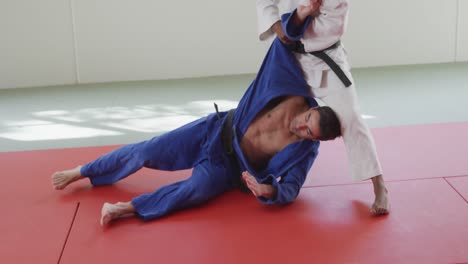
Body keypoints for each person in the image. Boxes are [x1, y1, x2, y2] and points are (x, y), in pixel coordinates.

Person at [51, 39, 342, 226]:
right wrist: (304, 12)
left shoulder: (305, 151)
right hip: (213, 130)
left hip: (229, 168)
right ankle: (83, 170)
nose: (301, 128)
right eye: (306, 120)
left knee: (195, 190)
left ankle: (124, 208)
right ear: (310, 108)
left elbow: (291, 186)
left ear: (315, 140)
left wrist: (269, 190)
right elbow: (283, 45)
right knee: (146, 151)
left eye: (308, 133)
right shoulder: (290, 92)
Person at [256, 0, 390, 215]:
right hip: (288, 59)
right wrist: (277, 26)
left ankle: (379, 185)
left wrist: (298, 20)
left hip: (325, 62)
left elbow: (329, 29)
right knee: (265, 110)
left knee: (351, 117)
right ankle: (255, 167)